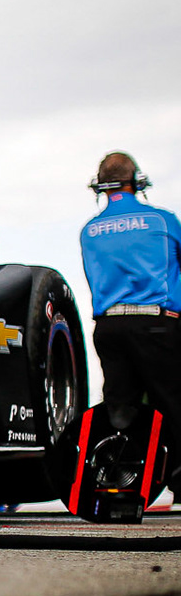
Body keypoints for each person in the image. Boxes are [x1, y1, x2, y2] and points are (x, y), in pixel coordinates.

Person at [80, 151, 181, 436]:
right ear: (137, 181)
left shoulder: (89, 230)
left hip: (108, 328)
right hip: (157, 325)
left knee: (121, 416)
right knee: (172, 407)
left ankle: (121, 476)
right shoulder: (163, 221)